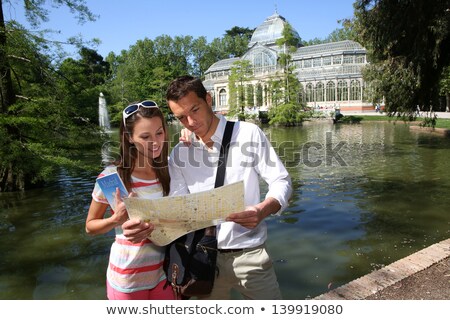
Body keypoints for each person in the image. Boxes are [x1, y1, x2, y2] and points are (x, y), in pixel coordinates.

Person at [123, 76, 292, 300]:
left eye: (195, 109)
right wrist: (145, 227)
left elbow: (281, 180)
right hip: (201, 259)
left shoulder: (248, 134)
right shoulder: (180, 153)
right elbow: (178, 208)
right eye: (181, 117)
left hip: (250, 255)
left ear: (209, 100)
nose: (191, 122)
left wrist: (263, 209)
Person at [86, 100, 174, 300]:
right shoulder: (111, 178)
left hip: (166, 274)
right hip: (127, 280)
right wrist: (115, 220)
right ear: (129, 138)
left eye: (159, 133)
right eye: (145, 136)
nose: (155, 142)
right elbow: (90, 227)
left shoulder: (170, 170)